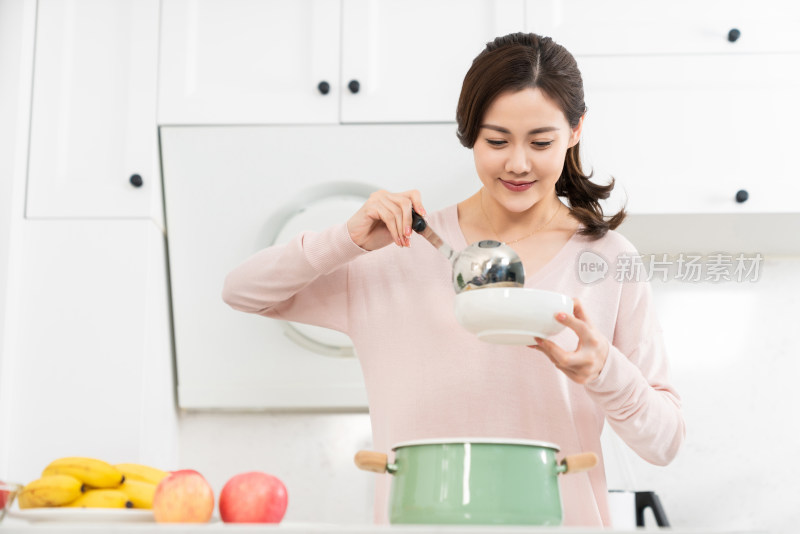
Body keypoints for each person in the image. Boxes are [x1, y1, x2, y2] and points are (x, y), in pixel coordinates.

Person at [222, 32, 685, 527]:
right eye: (497, 140)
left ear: (575, 131)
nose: (518, 163)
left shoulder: (610, 262)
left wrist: (604, 371)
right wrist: (345, 239)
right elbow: (242, 291)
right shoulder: (398, 249)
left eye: (541, 141)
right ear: (469, 134)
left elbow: (665, 442)